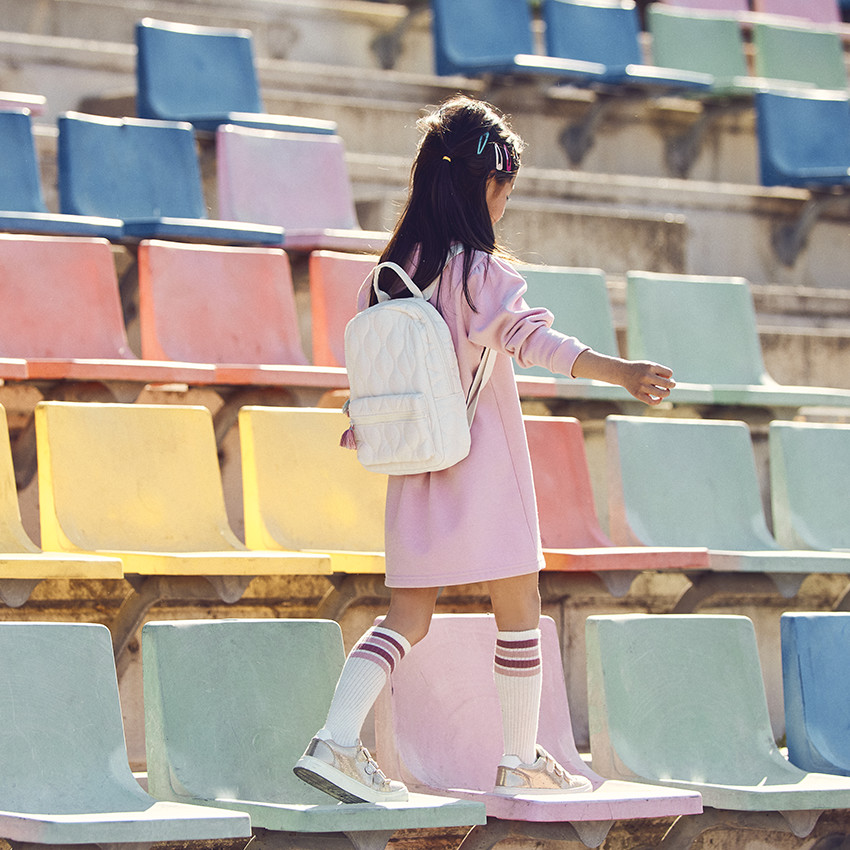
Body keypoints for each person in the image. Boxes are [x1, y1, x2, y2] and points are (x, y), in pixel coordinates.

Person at [293, 95, 675, 804]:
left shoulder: (386, 274)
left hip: (413, 471)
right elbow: (536, 341)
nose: (505, 205)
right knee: (519, 604)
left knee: (406, 615)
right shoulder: (478, 273)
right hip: (482, 469)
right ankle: (519, 757)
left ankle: (335, 741)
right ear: (484, 187)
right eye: (505, 190)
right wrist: (618, 371)